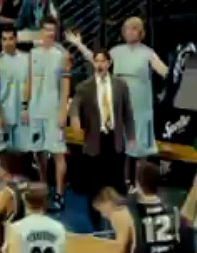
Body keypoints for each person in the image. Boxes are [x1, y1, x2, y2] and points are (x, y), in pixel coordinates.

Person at [66, 16, 169, 190]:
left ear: (141, 32)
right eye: (127, 28)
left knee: (141, 150)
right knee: (121, 149)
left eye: (134, 28)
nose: (130, 31)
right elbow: (96, 60)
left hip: (141, 109)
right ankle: (123, 183)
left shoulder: (148, 53)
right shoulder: (116, 51)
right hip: (121, 107)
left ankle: (141, 185)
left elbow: (166, 72)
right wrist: (79, 44)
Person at [69, 48, 135, 230]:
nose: (99, 65)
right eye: (96, 61)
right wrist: (75, 120)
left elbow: (128, 112)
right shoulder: (84, 87)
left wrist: (131, 136)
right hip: (95, 140)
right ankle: (96, 223)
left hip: (115, 139)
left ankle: (120, 222)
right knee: (94, 184)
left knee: (117, 183)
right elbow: (74, 107)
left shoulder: (121, 85)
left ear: (109, 63)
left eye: (102, 61)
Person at [28, 16, 70, 211]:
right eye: (46, 29)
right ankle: (44, 186)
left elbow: (66, 85)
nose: (49, 33)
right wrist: (25, 107)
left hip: (54, 110)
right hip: (35, 110)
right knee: (38, 151)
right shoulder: (32, 53)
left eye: (52, 30)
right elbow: (28, 81)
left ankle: (60, 194)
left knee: (58, 153)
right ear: (41, 31)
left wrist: (63, 111)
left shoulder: (62, 55)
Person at [0, 24, 32, 154]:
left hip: (22, 113)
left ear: (16, 39)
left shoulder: (27, 58)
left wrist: (25, 108)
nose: (7, 42)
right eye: (4, 39)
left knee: (21, 153)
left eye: (10, 38)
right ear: (0, 41)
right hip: (4, 113)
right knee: (2, 153)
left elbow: (29, 85)